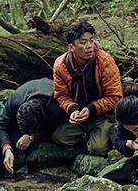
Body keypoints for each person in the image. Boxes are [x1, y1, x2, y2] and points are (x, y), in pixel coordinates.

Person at [52, 20, 123, 156]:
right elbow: (61, 96)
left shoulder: (105, 61)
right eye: (83, 43)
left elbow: (115, 97)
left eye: (91, 41)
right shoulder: (60, 65)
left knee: (97, 149)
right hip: (79, 115)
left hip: (102, 114)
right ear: (71, 47)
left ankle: (107, 132)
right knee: (59, 138)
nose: (90, 46)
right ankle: (87, 137)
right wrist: (72, 110)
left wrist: (91, 109)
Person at [0, 78, 66, 174]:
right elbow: (3, 127)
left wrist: (32, 136)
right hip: (27, 92)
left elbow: (53, 131)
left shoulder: (56, 108)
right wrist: (7, 149)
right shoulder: (14, 101)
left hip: (50, 95)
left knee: (59, 137)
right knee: (1, 139)